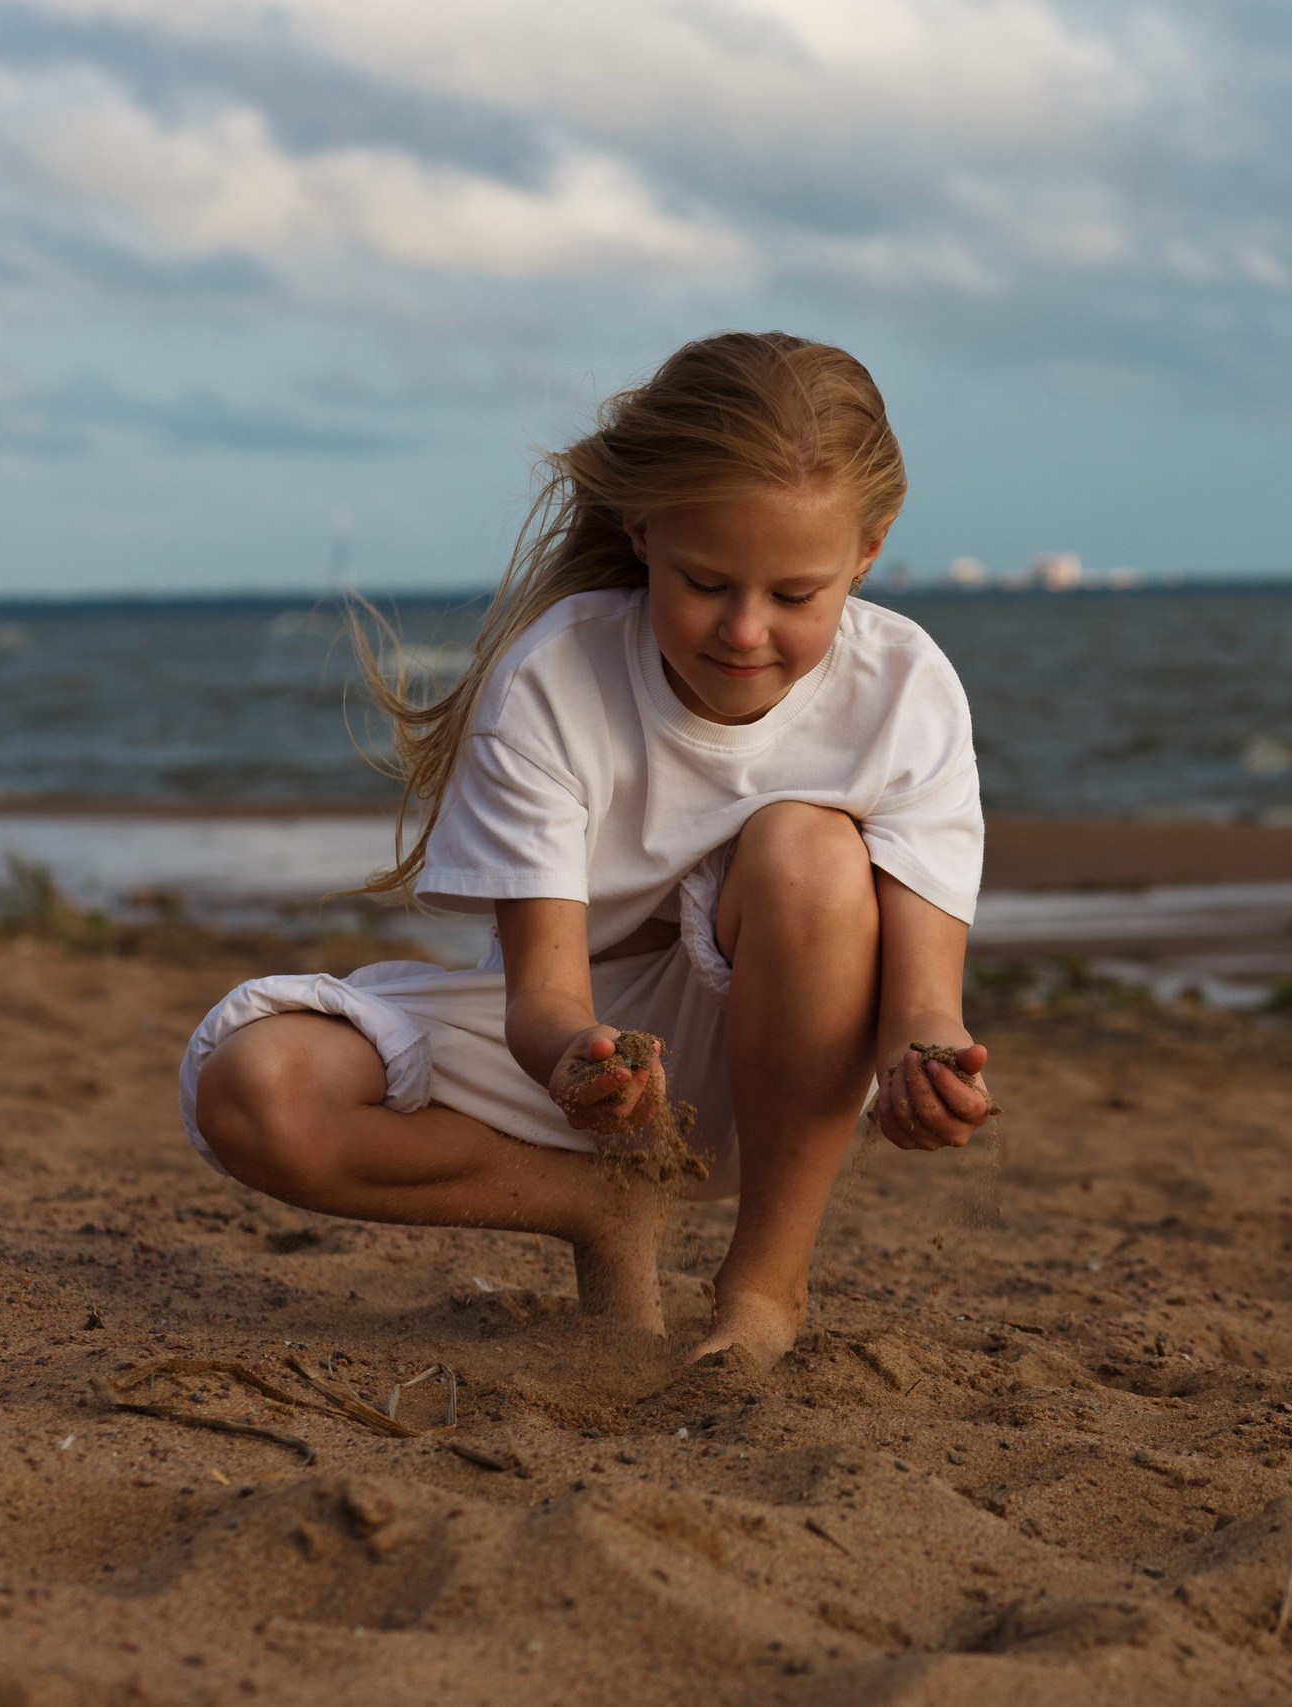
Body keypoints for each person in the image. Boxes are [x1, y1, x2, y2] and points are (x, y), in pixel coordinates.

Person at [179, 332, 992, 1368]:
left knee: (807, 851)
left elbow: (924, 1003)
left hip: (785, 1064)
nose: (745, 630)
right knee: (258, 1091)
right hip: (582, 1060)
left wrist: (925, 1063)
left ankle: (764, 1286)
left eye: (795, 596)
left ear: (867, 552)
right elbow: (546, 1002)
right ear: (642, 529)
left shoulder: (903, 689)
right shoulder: (556, 677)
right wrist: (577, 1061)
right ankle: (598, 1205)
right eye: (706, 582)